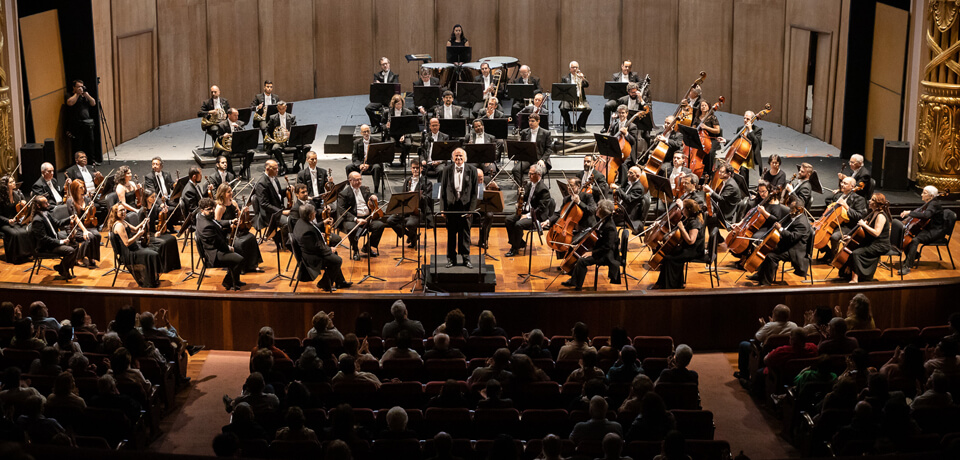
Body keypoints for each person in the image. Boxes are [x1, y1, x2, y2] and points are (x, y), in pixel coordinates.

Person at [749, 198, 811, 286]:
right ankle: (760, 275)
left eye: (792, 209)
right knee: (766, 249)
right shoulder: (793, 216)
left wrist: (780, 229)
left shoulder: (802, 223)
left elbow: (792, 237)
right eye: (790, 208)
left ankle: (765, 283)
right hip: (787, 244)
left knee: (771, 256)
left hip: (794, 250)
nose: (790, 211)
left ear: (800, 209)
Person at [563, 199, 620, 290]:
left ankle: (578, 286)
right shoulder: (603, 220)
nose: (596, 209)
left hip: (605, 255)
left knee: (582, 261)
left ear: (602, 211)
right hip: (599, 249)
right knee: (579, 253)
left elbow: (607, 247)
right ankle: (574, 280)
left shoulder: (610, 227)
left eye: (598, 208)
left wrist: (592, 253)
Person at [294, 203, 351, 292]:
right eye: (314, 212)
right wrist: (329, 249)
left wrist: (322, 224)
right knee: (337, 260)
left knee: (334, 256)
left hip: (310, 252)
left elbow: (313, 229)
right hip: (311, 258)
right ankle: (324, 284)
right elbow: (316, 248)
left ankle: (340, 282)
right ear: (309, 215)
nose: (315, 213)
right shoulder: (307, 231)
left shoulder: (301, 222)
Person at [650, 199, 704, 290]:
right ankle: (666, 283)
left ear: (688, 210)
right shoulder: (689, 219)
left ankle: (669, 286)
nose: (681, 211)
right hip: (687, 247)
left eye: (683, 209)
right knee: (667, 255)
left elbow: (691, 241)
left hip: (694, 251)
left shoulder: (695, 222)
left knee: (668, 259)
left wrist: (682, 229)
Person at [838, 193, 891, 283]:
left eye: (872, 200)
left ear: (877, 203)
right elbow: (865, 233)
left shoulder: (880, 216)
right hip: (872, 241)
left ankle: (855, 279)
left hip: (880, 245)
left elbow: (876, 233)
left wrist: (864, 225)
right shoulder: (873, 212)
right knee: (853, 249)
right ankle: (849, 272)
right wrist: (851, 237)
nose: (869, 201)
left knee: (856, 253)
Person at [440, 148, 478, 268]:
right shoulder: (446, 170)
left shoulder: (472, 170)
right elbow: (443, 191)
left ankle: (466, 258)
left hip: (465, 207)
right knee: (451, 234)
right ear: (452, 158)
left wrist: (471, 210)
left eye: (461, 156)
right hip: (451, 207)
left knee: (465, 234)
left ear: (465, 158)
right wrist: (442, 208)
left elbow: (474, 192)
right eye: (456, 156)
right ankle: (451, 259)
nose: (458, 158)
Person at [196, 197, 245, 290]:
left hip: (215, 247)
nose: (212, 210)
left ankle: (235, 280)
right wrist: (229, 248)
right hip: (214, 254)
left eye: (213, 208)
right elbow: (219, 244)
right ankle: (228, 282)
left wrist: (230, 221)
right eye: (209, 209)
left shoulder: (201, 216)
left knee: (240, 248)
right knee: (240, 260)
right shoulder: (206, 227)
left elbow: (216, 222)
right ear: (202, 210)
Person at [108, 204, 161, 288]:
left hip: (133, 247)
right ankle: (149, 281)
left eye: (124, 210)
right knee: (152, 254)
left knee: (155, 249)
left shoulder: (123, 221)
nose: (123, 212)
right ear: (115, 213)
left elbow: (135, 229)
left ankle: (152, 277)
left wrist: (143, 222)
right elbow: (126, 243)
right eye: (121, 211)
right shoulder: (119, 225)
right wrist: (138, 235)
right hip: (128, 252)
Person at [215, 184, 263, 274]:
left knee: (252, 237)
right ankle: (241, 267)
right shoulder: (220, 208)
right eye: (228, 192)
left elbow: (240, 216)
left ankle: (252, 265)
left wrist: (244, 212)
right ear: (222, 194)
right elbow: (217, 224)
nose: (231, 193)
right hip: (228, 233)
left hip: (237, 230)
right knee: (240, 243)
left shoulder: (233, 203)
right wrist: (230, 225)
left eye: (231, 191)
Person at [505, 164, 551, 257]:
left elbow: (541, 209)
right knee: (508, 220)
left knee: (518, 224)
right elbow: (525, 198)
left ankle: (515, 248)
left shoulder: (543, 189)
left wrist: (527, 216)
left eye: (531, 174)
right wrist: (520, 196)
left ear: (538, 174)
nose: (529, 176)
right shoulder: (530, 184)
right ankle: (519, 242)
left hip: (536, 216)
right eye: (529, 173)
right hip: (526, 212)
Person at [899, 185, 946, 275]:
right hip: (928, 228)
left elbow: (926, 215)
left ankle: (908, 266)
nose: (921, 195)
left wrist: (910, 213)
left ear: (931, 196)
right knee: (908, 236)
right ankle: (914, 255)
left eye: (924, 193)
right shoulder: (930, 203)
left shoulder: (934, 204)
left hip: (936, 230)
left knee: (914, 240)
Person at [338, 171, 386, 260]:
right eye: (357, 180)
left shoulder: (364, 189)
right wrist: (356, 219)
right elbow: (342, 211)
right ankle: (355, 250)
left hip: (367, 218)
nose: (359, 182)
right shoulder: (343, 194)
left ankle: (368, 246)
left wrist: (373, 196)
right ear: (350, 181)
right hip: (352, 219)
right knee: (353, 229)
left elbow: (370, 195)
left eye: (360, 179)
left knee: (380, 225)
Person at [29, 196, 78, 280]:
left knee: (75, 245)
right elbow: (44, 239)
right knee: (70, 251)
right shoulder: (37, 220)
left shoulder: (46, 214)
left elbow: (57, 223)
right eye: (45, 203)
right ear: (38, 206)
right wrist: (60, 242)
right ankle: (63, 269)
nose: (48, 204)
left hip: (52, 243)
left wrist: (69, 218)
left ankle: (61, 267)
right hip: (46, 247)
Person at [388, 161, 433, 248]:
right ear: (411, 169)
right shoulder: (407, 180)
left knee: (410, 224)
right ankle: (411, 235)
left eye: (417, 168)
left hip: (419, 210)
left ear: (421, 168)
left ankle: (412, 239)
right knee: (390, 220)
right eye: (413, 168)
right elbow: (402, 196)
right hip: (406, 209)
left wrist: (418, 195)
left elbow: (429, 199)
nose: (415, 170)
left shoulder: (427, 182)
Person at [823, 176, 869, 261]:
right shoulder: (838, 196)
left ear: (852, 186)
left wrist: (846, 207)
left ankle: (834, 257)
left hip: (848, 226)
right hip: (834, 223)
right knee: (815, 232)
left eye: (845, 183)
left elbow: (859, 216)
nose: (842, 184)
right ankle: (828, 252)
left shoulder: (859, 199)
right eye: (842, 182)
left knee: (834, 237)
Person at [64, 180, 101, 268]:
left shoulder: (86, 198)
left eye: (83, 186)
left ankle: (92, 257)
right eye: (80, 187)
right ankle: (79, 258)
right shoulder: (70, 201)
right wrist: (84, 231)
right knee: (89, 237)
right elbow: (75, 217)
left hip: (87, 224)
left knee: (97, 235)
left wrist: (91, 207)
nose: (83, 189)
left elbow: (90, 214)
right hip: (75, 227)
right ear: (75, 189)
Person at [0, 176, 34, 264]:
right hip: (3, 223)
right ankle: (15, 257)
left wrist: (23, 204)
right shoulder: (1, 198)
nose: (14, 183)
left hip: (15, 221)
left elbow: (20, 210)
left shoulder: (17, 194)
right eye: (11, 182)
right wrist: (7, 221)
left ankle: (26, 254)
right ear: (5, 186)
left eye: (13, 181)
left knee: (26, 230)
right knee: (15, 233)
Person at [65, 79, 99, 163]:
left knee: (90, 143)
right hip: (77, 124)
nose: (81, 88)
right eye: (78, 86)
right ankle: (77, 163)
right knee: (78, 144)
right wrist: (77, 94)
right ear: (74, 87)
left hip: (87, 123)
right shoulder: (70, 95)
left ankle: (91, 161)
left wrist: (86, 95)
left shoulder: (84, 96)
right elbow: (70, 103)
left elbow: (93, 103)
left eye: (82, 86)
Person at [602, 61, 642, 130]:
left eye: (629, 67)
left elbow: (641, 83)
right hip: (617, 99)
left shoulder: (634, 75)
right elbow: (613, 88)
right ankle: (606, 127)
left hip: (629, 98)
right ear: (622, 66)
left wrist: (633, 84)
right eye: (626, 66)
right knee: (607, 106)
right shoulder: (616, 76)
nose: (627, 68)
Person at [214, 108, 254, 179]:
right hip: (227, 148)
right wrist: (223, 136)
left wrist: (238, 127)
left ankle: (243, 170)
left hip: (238, 147)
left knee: (251, 152)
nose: (237, 117)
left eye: (237, 115)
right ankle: (231, 173)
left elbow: (245, 134)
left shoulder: (240, 123)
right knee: (224, 155)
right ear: (229, 115)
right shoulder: (222, 125)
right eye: (235, 115)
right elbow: (217, 137)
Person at [346, 124, 384, 196]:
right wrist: (359, 165)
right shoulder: (356, 142)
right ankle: (350, 187)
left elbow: (379, 157)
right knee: (349, 167)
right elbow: (354, 156)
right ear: (361, 133)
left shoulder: (377, 141)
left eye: (367, 131)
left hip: (372, 164)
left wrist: (369, 165)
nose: (366, 133)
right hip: (361, 164)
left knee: (377, 167)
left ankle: (376, 189)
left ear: (370, 131)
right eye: (364, 132)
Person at [610, 166, 649, 234]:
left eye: (631, 173)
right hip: (623, 209)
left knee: (608, 217)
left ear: (637, 175)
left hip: (628, 215)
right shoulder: (630, 184)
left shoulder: (638, 188)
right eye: (628, 172)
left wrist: (617, 188)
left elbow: (628, 199)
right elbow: (624, 193)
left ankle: (613, 238)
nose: (628, 175)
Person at [365, 58, 400, 131]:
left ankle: (390, 125)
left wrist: (380, 84)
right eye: (383, 64)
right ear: (381, 66)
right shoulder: (377, 75)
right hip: (380, 99)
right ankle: (376, 125)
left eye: (386, 64)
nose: (385, 66)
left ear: (389, 64)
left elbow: (395, 88)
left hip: (390, 99)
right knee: (368, 108)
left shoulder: (394, 76)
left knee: (392, 108)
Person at [265, 101, 296, 174]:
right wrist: (273, 136)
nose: (281, 110)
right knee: (275, 148)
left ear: (286, 108)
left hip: (289, 139)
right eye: (279, 109)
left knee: (305, 147)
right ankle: (283, 165)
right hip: (279, 140)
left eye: (283, 108)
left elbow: (295, 129)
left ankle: (297, 166)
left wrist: (290, 133)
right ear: (277, 109)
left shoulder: (291, 117)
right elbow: (267, 129)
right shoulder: (273, 117)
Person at [382, 94, 413, 165]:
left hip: (404, 134)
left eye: (400, 103)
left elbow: (410, 127)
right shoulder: (387, 112)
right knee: (391, 144)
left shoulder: (408, 112)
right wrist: (386, 126)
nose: (399, 105)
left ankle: (403, 158)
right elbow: (382, 125)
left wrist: (404, 135)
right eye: (397, 104)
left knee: (408, 144)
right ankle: (390, 159)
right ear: (394, 104)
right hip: (391, 134)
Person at [560, 61, 591, 133]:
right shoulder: (565, 78)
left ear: (578, 68)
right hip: (568, 99)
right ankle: (569, 125)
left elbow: (586, 85)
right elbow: (562, 89)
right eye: (573, 67)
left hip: (580, 99)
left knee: (588, 109)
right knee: (563, 108)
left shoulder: (582, 76)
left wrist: (582, 78)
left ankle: (579, 125)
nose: (574, 69)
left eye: (576, 67)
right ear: (570, 69)